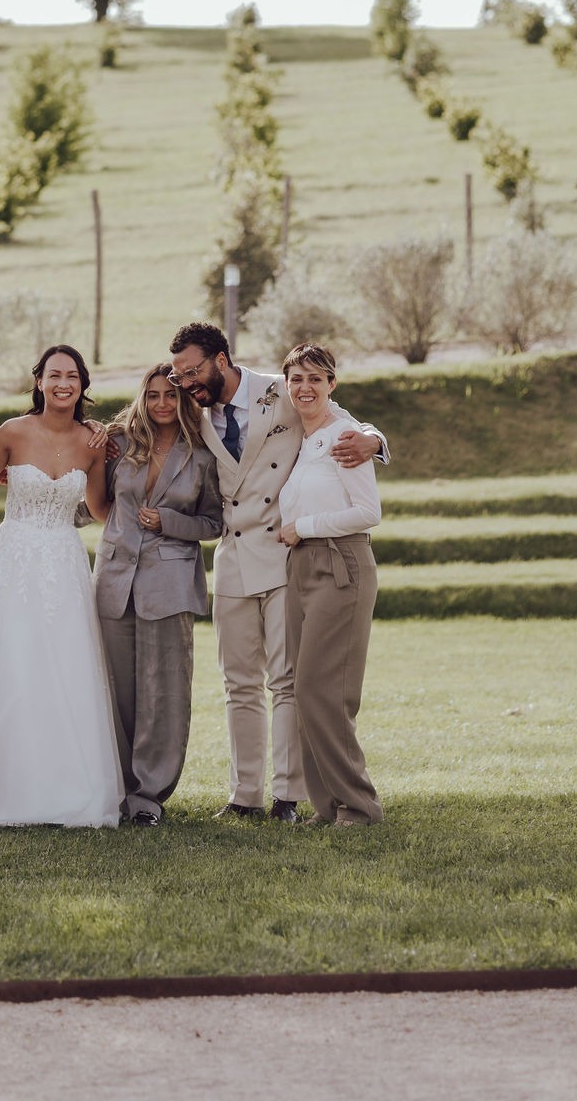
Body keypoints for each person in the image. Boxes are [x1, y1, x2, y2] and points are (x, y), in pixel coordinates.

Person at [168, 320, 387, 824]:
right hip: (232, 554)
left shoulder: (283, 388)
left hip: (285, 552)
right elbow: (148, 419)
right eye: (179, 375)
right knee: (238, 682)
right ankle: (244, 796)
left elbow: (344, 421)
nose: (186, 382)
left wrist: (375, 440)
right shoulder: (192, 405)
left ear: (220, 360)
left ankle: (289, 796)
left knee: (287, 680)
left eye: (192, 370)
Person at [0, 344, 121, 828]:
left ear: (83, 384)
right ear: (40, 381)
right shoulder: (12, 432)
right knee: (5, 661)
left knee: (65, 665)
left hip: (63, 561)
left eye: (72, 375)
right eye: (54, 375)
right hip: (11, 559)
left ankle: (65, 788)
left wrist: (133, 475)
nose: (63, 383)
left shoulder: (93, 440)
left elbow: (102, 508)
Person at [95, 363, 222, 826]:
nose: (161, 405)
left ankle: (148, 798)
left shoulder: (202, 456)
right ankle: (116, 788)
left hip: (169, 585)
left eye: (170, 396)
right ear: (141, 399)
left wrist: (168, 522)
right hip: (113, 581)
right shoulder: (119, 446)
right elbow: (93, 499)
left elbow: (214, 523)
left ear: (185, 400)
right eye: (152, 396)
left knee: (162, 694)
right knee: (116, 692)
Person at [278, 344, 384, 826]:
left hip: (341, 566)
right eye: (296, 379)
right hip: (300, 568)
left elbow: (368, 512)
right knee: (304, 688)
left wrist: (306, 526)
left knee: (326, 689)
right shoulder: (303, 440)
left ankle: (359, 805)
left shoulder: (345, 436)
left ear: (331, 384)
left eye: (315, 379)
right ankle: (328, 807)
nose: (305, 387)